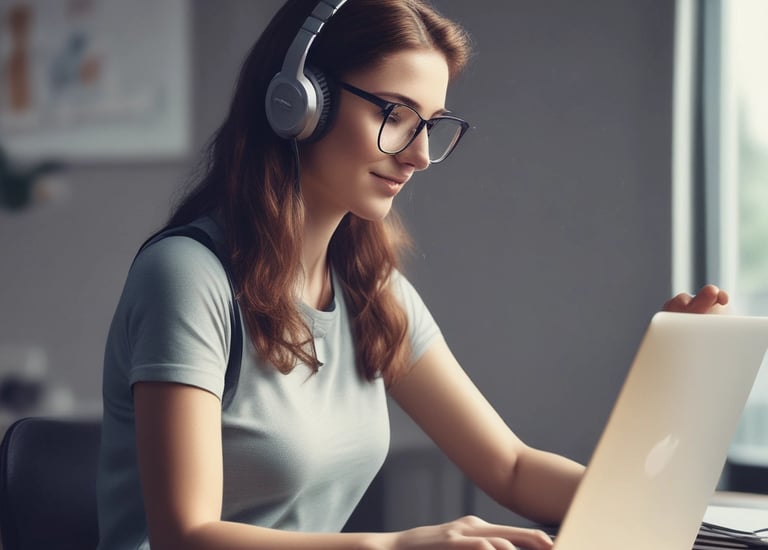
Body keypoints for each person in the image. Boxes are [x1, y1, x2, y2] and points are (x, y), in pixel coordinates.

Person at [96, 1, 729, 549]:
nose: (421, 155)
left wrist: (670, 500)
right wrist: (398, 545)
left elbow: (508, 467)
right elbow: (186, 535)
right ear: (298, 103)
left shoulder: (371, 291)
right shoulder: (187, 277)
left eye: (430, 124)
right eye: (396, 114)